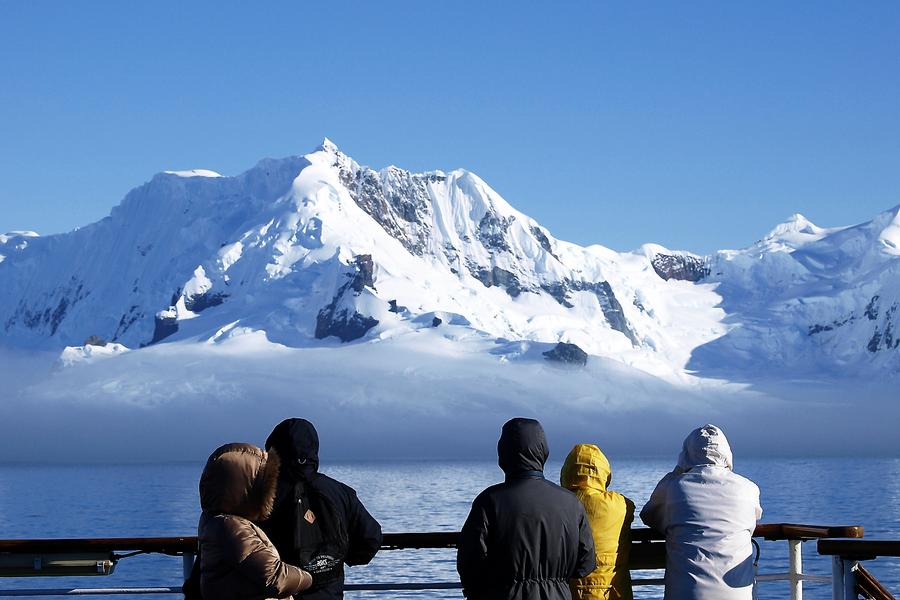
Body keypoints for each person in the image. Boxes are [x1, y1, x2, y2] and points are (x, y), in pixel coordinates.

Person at [457, 417, 597, 600]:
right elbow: (586, 563)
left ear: (503, 453)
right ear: (543, 451)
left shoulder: (489, 501)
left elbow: (470, 561)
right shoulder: (571, 503)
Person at [262, 418, 382, 600]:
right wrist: (335, 557)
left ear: (273, 452)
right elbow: (371, 538)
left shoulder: (259, 498)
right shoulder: (340, 492)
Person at [640, 424, 762, 600]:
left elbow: (649, 515)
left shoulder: (674, 488)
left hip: (687, 594)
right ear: (727, 452)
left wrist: (678, 471)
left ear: (686, 454)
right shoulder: (748, 488)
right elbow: (754, 517)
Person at [197, 442, 313, 600]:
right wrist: (308, 578)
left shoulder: (215, 521)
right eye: (266, 483)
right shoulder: (230, 527)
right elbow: (274, 577)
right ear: (247, 487)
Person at [561, 444, 635, 600]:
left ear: (566, 472)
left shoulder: (556, 503)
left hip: (567, 592)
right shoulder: (622, 505)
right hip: (611, 592)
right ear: (604, 474)